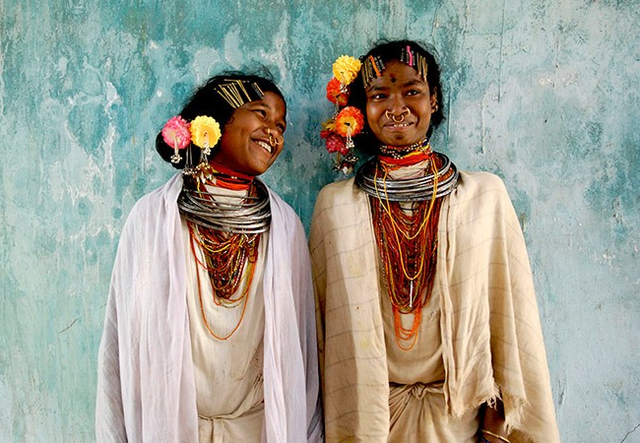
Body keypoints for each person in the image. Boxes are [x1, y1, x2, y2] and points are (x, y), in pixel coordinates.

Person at [311, 40, 560, 443]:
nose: (396, 107)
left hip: (459, 419)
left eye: (412, 91)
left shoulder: (484, 196)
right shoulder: (335, 206)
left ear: (435, 100)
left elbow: (509, 320)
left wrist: (496, 428)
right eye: (379, 95)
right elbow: (322, 340)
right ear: (358, 111)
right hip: (368, 423)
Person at [96, 72, 323, 442]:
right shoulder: (152, 218)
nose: (274, 132)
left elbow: (300, 356)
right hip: (173, 427)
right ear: (217, 119)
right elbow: (124, 347)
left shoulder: (285, 228)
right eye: (261, 114)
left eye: (280, 124)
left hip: (259, 428)